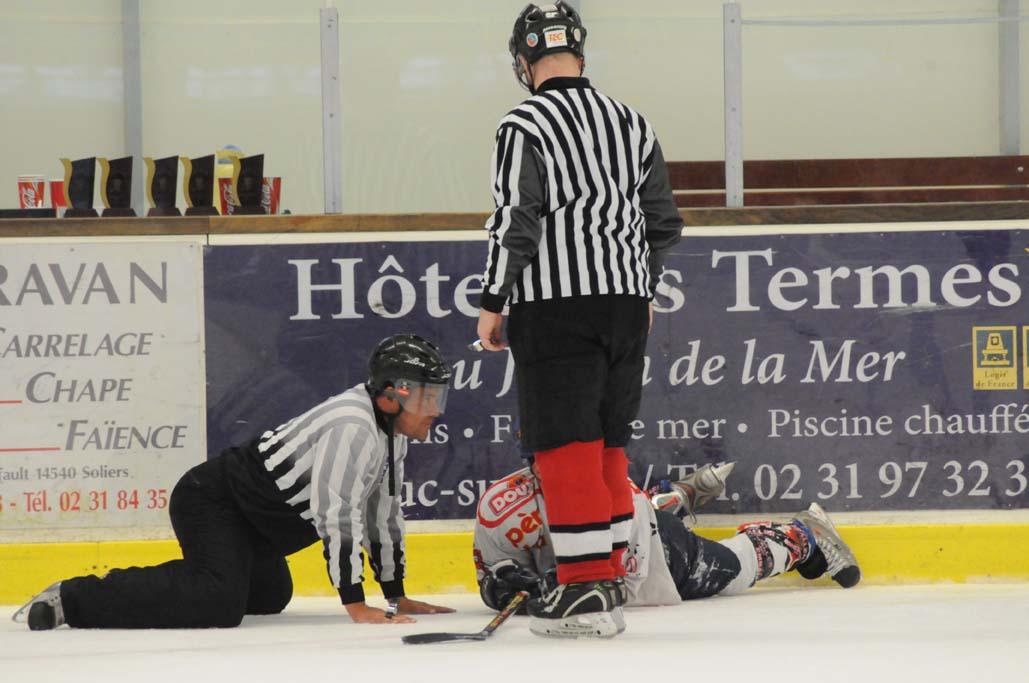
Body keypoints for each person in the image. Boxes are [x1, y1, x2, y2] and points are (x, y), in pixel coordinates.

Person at [475, 2, 684, 638]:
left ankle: (585, 589)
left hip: (556, 305)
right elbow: (663, 223)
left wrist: (493, 301)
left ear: (524, 60)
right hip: (626, 305)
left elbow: (517, 219)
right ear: (580, 53)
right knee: (608, 447)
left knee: (565, 447)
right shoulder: (632, 122)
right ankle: (609, 577)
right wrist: (641, 288)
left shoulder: (524, 124)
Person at [14, 334, 455, 630]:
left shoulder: (390, 434)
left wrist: (396, 596)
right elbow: (336, 515)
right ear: (391, 395)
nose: (436, 409)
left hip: (253, 528)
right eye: (428, 396)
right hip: (210, 500)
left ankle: (204, 574)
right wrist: (355, 603)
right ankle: (71, 597)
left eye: (439, 396)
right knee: (219, 600)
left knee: (269, 596)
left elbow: (381, 517)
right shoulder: (353, 426)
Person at [473, 459, 861, 634]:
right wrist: (503, 583)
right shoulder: (499, 506)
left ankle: (801, 535)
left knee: (735, 570)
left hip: (662, 552)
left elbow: (624, 588)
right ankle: (672, 499)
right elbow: (492, 570)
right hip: (638, 520)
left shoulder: (617, 495)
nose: (559, 469)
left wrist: (551, 588)